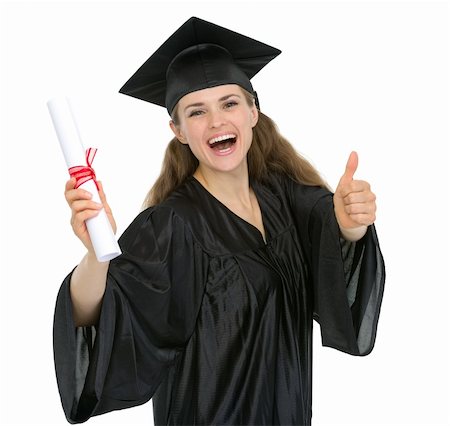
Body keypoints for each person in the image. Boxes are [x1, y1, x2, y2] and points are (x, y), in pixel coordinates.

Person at [54, 16, 385, 426]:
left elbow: (335, 243)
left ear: (253, 112)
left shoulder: (285, 198)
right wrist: (95, 257)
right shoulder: (172, 226)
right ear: (177, 130)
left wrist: (352, 222)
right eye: (196, 112)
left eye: (229, 103)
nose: (216, 122)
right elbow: (95, 317)